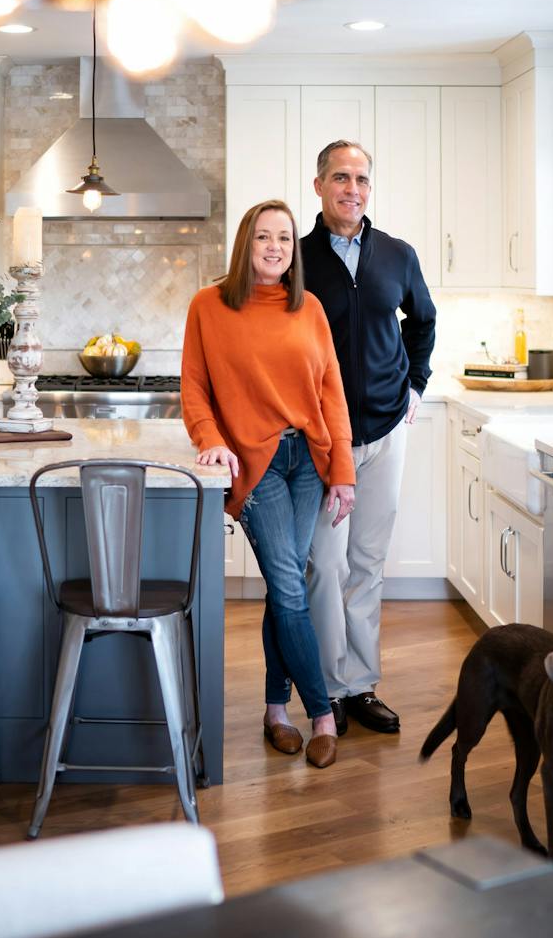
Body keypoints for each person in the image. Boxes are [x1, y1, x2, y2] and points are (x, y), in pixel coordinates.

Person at [181, 199, 356, 769]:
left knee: (288, 589)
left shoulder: (310, 310)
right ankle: (322, 713)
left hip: (307, 460)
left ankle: (275, 713)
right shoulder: (208, 306)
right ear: (245, 245)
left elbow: (331, 394)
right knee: (288, 586)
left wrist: (343, 471)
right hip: (253, 465)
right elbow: (194, 388)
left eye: (284, 238)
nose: (275, 247)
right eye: (263, 238)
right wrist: (210, 437)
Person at [301, 140, 436, 737]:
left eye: (360, 179)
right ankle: (325, 690)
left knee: (367, 563)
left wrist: (416, 385)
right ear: (319, 185)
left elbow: (423, 320)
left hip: (385, 431)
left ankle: (360, 685)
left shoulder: (396, 255)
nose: (351, 188)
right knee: (325, 566)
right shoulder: (297, 259)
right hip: (323, 441)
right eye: (339, 177)